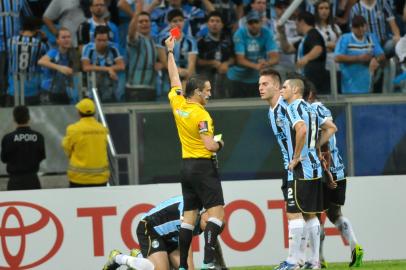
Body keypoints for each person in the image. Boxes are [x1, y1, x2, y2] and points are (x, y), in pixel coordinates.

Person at [166, 35, 225, 270]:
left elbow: (173, 78)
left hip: (186, 168)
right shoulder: (201, 115)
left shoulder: (178, 103)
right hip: (203, 166)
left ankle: (182, 266)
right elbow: (210, 145)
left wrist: (170, 51)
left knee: (189, 218)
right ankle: (208, 262)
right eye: (207, 91)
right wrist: (221, 143)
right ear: (198, 92)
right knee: (217, 214)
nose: (210, 94)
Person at [275, 78, 337, 270]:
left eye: (284, 87)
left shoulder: (293, 107)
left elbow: (301, 129)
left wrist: (295, 157)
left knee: (294, 212)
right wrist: (314, 148)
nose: (281, 90)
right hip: (315, 169)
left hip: (301, 168)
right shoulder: (312, 108)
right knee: (311, 215)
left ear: (295, 89)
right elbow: (331, 128)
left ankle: (294, 262)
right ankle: (314, 261)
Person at [303, 85, 364, 268]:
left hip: (323, 171)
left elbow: (325, 141)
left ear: (310, 95)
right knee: (335, 213)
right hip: (339, 169)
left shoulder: (312, 109)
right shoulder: (325, 109)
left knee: (315, 215)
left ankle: (319, 259)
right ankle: (354, 245)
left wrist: (325, 170)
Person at [102, 195, 228, 270]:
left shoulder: (205, 223)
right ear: (205, 212)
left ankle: (140, 257)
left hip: (170, 238)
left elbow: (212, 243)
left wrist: (222, 266)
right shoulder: (193, 212)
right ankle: (117, 258)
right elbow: (186, 243)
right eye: (208, 221)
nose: (209, 222)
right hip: (150, 227)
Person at [227, 10, 279, 97]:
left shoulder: (267, 33)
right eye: (251, 22)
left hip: (257, 79)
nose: (253, 25)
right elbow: (240, 60)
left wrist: (266, 63)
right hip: (238, 77)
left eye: (256, 22)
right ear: (247, 23)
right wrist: (257, 66)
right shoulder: (240, 33)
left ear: (261, 22)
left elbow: (275, 58)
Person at [61, 98, 110, 188]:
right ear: (94, 112)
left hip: (78, 179)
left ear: (79, 112)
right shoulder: (102, 129)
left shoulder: (73, 129)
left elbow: (66, 147)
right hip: (101, 178)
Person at [278, 11, 329, 95]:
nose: (295, 26)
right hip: (305, 81)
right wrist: (282, 33)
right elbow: (287, 49)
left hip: (314, 82)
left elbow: (318, 49)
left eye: (296, 23)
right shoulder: (304, 39)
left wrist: (306, 58)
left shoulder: (313, 34)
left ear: (301, 22)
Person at [334, 15, 385, 94]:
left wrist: (375, 59)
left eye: (362, 26)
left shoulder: (371, 37)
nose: (360, 29)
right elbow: (337, 57)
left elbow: (381, 55)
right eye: (357, 26)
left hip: (368, 83)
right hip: (349, 83)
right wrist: (358, 58)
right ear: (352, 27)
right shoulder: (345, 38)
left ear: (366, 26)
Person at [1, 105, 45, 190]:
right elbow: (41, 156)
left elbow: (4, 159)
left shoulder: (8, 138)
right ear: (28, 117)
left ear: (14, 119)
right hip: (33, 180)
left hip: (14, 182)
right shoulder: (39, 137)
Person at [6, 16, 48, 106]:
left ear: (22, 29)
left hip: (14, 87)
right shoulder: (39, 44)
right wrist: (44, 39)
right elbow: (49, 56)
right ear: (36, 30)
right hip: (32, 88)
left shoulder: (10, 41)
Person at [0, 0, 32, 106]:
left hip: (16, 44)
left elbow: (28, 17)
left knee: (16, 73)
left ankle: (14, 101)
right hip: (0, 46)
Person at [81, 25, 125, 102]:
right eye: (99, 40)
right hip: (93, 90)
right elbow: (86, 67)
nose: (102, 43)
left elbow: (121, 66)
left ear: (108, 40)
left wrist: (109, 69)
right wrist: (108, 69)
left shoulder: (113, 48)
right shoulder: (88, 48)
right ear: (94, 39)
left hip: (110, 90)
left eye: (104, 40)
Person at [126, 0, 159, 101]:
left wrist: (160, 64)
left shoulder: (154, 41)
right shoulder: (136, 39)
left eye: (146, 21)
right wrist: (136, 13)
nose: (144, 24)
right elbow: (131, 33)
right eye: (141, 22)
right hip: (135, 88)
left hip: (151, 88)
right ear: (136, 24)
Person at [197, 11, 234, 98]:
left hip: (224, 69)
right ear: (207, 24)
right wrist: (212, 63)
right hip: (206, 70)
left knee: (231, 74)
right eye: (212, 21)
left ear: (222, 25)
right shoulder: (201, 41)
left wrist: (226, 63)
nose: (214, 24)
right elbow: (197, 61)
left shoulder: (228, 39)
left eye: (217, 21)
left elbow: (233, 58)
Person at [38, 28, 80, 105]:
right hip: (49, 90)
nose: (67, 39)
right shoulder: (54, 51)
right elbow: (41, 61)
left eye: (68, 37)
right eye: (63, 37)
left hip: (64, 90)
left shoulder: (73, 53)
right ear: (57, 40)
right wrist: (60, 67)